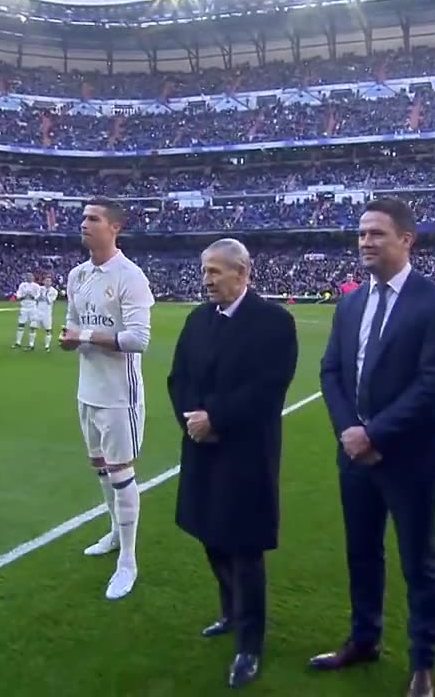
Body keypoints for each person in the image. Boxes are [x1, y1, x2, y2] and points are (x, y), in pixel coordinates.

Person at [314, 197, 435, 697]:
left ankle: (423, 662)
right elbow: (331, 372)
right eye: (361, 234)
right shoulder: (351, 300)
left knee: (418, 561)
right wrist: (349, 433)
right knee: (362, 553)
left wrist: (374, 434)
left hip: (409, 459)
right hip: (353, 456)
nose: (365, 242)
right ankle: (364, 639)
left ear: (406, 239)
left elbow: (433, 384)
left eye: (376, 233)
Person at [167, 238, 298, 689]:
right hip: (201, 448)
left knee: (244, 549)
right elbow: (178, 376)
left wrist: (216, 418)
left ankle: (250, 644)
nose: (207, 280)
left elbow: (269, 388)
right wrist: (191, 419)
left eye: (215, 272)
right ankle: (229, 611)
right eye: (204, 271)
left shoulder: (273, 322)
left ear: (242, 274)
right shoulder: (198, 320)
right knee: (211, 537)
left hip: (245, 453)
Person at [61, 198, 155, 600]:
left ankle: (128, 561)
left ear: (114, 227)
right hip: (88, 390)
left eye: (93, 218)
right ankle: (114, 533)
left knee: (121, 472)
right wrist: (71, 337)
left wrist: (81, 338)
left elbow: (138, 340)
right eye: (83, 217)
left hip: (120, 395)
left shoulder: (130, 276)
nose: (84, 223)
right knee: (100, 469)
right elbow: (71, 324)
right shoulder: (77, 275)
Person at [28, 274, 59, 352]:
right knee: (32, 327)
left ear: (51, 282)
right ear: (44, 281)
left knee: (48, 330)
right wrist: (40, 296)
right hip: (38, 311)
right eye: (46, 281)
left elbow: (50, 301)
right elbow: (36, 298)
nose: (47, 282)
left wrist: (44, 296)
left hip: (47, 313)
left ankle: (47, 346)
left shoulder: (54, 291)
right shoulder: (40, 289)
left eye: (49, 281)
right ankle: (31, 345)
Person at [15, 271, 40, 349]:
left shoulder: (36, 286)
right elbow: (18, 295)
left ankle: (31, 343)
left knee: (32, 326)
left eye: (31, 276)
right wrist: (24, 296)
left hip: (33, 307)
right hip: (24, 307)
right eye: (28, 276)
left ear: (33, 277)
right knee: (21, 324)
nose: (29, 277)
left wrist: (32, 296)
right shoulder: (22, 285)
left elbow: (38, 296)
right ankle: (18, 342)